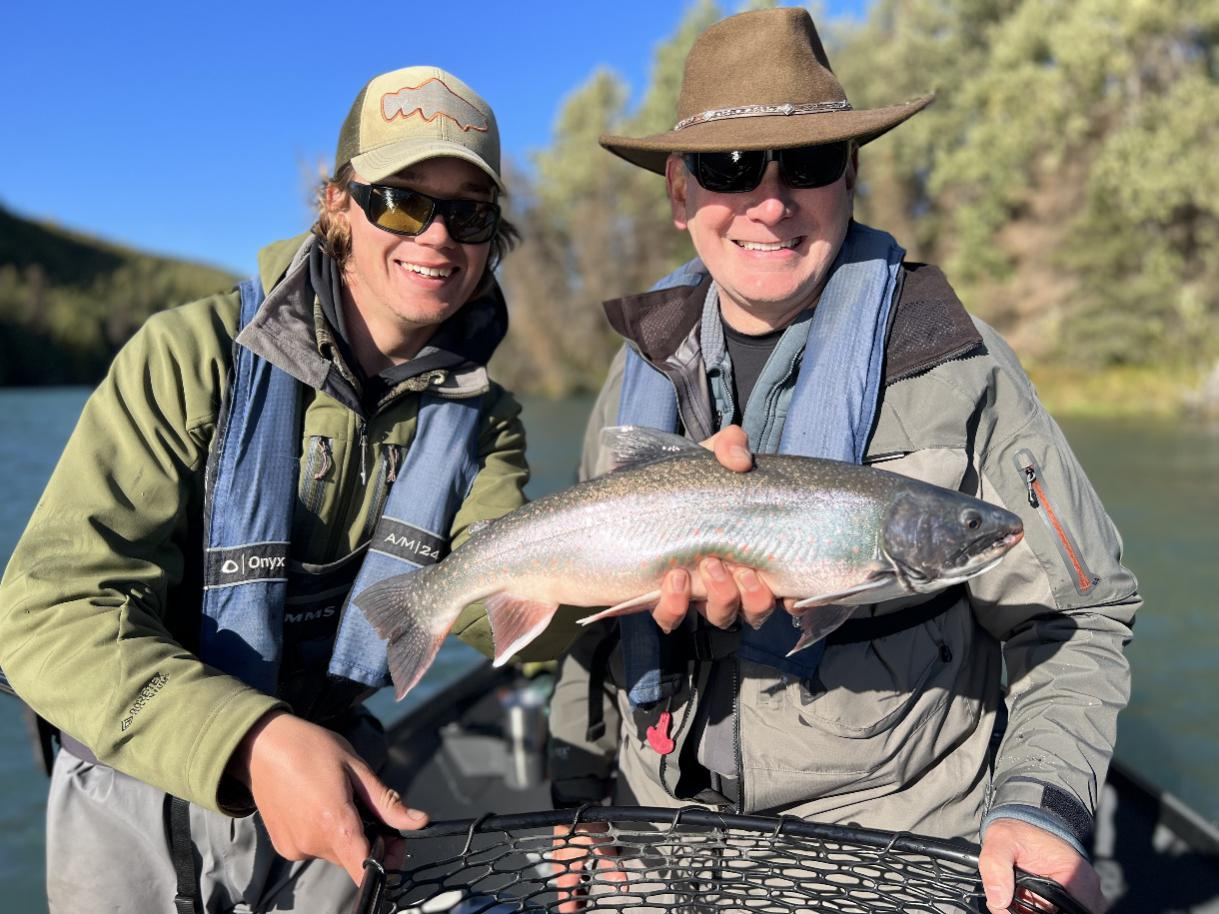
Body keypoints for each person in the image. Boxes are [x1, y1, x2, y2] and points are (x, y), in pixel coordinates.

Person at [545, 9, 1139, 914]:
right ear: (678, 193)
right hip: (655, 837)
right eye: (729, 168)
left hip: (885, 851)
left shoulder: (959, 367)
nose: (771, 201)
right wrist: (577, 798)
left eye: (809, 163)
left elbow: (1077, 617)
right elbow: (590, 634)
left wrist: (1039, 806)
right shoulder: (635, 376)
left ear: (850, 176)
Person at [0, 64, 538, 913]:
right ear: (336, 204)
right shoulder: (189, 357)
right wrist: (250, 738)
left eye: (468, 213)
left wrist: (649, 565)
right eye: (401, 200)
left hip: (343, 792)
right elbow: (44, 614)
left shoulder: (486, 418)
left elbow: (509, 615)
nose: (436, 237)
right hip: (137, 789)